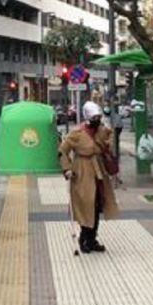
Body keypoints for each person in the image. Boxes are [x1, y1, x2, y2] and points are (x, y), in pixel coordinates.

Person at [59, 101, 119, 253]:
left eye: (99, 117)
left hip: (99, 171)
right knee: (86, 205)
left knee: (98, 205)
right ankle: (84, 238)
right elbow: (62, 151)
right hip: (82, 170)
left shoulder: (102, 131)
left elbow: (109, 143)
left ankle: (92, 239)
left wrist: (109, 142)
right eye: (94, 117)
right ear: (87, 117)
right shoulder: (76, 133)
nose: (97, 120)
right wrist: (67, 169)